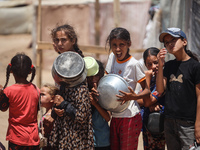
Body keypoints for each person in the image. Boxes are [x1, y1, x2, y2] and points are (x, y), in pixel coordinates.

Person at [48, 24, 94, 149]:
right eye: (57, 40)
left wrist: (63, 104)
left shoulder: (79, 66)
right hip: (64, 127)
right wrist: (57, 109)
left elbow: (82, 113)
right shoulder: (61, 63)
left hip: (77, 133)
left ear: (73, 40)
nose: (60, 43)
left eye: (64, 40)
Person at [105, 27, 150, 150]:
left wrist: (133, 96)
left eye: (122, 45)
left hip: (129, 116)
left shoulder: (134, 64)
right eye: (114, 45)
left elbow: (147, 90)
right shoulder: (112, 58)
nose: (117, 49)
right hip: (115, 116)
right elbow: (107, 82)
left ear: (129, 44)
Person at [156, 27, 200, 150]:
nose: (170, 44)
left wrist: (198, 124)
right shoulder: (169, 66)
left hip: (188, 124)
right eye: (166, 42)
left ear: (184, 41)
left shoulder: (195, 67)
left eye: (173, 40)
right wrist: (160, 65)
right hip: (169, 121)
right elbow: (160, 90)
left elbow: (199, 96)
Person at [0, 53, 40, 150]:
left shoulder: (8, 91)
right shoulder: (36, 90)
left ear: (11, 71)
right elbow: (36, 110)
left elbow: (3, 108)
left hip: (16, 138)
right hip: (33, 138)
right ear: (30, 71)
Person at [142, 47, 165, 149]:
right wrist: (150, 102)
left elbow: (146, 102)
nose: (153, 67)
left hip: (158, 125)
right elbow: (138, 100)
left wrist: (147, 78)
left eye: (156, 63)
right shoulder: (151, 79)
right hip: (147, 124)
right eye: (149, 64)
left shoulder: (162, 79)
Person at [87, 59, 111, 150]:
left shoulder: (106, 92)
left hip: (102, 141)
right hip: (87, 141)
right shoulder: (83, 92)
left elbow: (107, 117)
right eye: (91, 76)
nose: (94, 79)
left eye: (97, 76)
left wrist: (96, 103)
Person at [40, 84, 59, 150]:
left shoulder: (51, 115)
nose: (40, 97)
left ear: (52, 98)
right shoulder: (47, 113)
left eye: (43, 95)